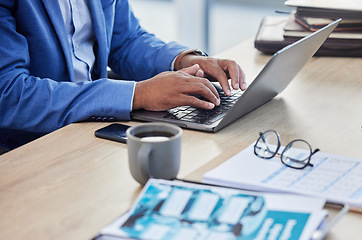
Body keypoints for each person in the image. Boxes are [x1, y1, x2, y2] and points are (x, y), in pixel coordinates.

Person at [0, 0, 246, 151]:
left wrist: (185, 60)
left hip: (90, 133)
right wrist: (139, 93)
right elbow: (9, 93)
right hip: (28, 147)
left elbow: (125, 40)